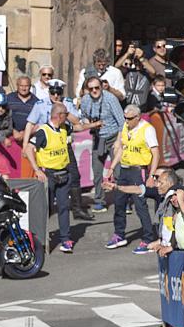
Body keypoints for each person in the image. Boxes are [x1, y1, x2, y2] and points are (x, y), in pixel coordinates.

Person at [23, 80, 98, 221]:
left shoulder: (67, 103)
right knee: (49, 182)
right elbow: (30, 124)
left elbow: (77, 122)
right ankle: (47, 211)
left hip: (64, 144)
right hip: (46, 144)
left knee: (75, 176)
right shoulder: (40, 104)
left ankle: (77, 209)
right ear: (49, 91)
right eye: (53, 92)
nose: (56, 95)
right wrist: (25, 144)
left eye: (58, 93)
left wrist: (64, 111)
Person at [104, 104, 159, 253]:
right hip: (124, 169)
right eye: (125, 118)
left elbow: (156, 153)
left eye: (129, 119)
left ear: (137, 117)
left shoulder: (147, 129)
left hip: (138, 170)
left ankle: (148, 238)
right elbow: (121, 149)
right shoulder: (125, 127)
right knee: (119, 203)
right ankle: (119, 234)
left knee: (140, 206)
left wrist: (152, 175)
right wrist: (111, 168)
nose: (126, 121)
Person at [25, 103, 74, 253]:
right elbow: (28, 148)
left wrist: (94, 124)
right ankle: (39, 240)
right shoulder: (43, 131)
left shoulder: (65, 128)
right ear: (59, 116)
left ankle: (66, 239)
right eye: (66, 114)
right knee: (45, 208)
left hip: (64, 173)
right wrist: (37, 170)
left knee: (64, 206)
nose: (68, 117)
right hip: (49, 175)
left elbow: (78, 126)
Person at [79, 77, 125, 213]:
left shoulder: (110, 99)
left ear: (101, 87)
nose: (94, 91)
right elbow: (83, 116)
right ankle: (99, 200)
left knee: (118, 171)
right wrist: (88, 121)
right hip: (98, 138)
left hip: (113, 137)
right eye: (91, 88)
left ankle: (123, 200)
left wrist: (118, 141)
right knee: (97, 171)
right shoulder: (86, 100)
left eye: (96, 88)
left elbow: (122, 122)